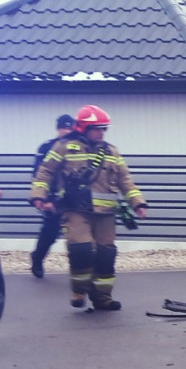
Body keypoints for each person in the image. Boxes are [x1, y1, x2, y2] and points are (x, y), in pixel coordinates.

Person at [30, 105, 147, 311]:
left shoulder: (111, 151)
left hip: (106, 214)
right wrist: (39, 196)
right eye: (96, 128)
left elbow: (125, 180)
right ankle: (79, 290)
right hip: (76, 210)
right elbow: (44, 172)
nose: (101, 133)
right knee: (81, 250)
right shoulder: (64, 147)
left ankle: (102, 298)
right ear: (83, 128)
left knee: (106, 255)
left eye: (104, 129)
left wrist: (138, 203)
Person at [29, 113, 76, 278]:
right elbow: (39, 174)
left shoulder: (78, 147)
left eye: (70, 128)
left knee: (78, 233)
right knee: (50, 232)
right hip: (54, 198)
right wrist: (44, 198)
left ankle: (79, 269)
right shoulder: (47, 148)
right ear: (58, 129)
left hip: (74, 199)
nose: (67, 131)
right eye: (64, 128)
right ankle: (37, 258)